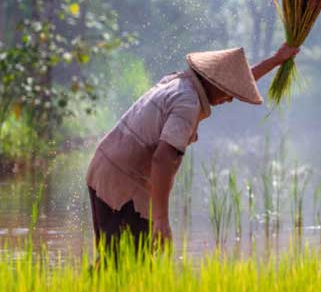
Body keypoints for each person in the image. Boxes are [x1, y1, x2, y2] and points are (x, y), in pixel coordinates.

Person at [86, 43, 299, 255]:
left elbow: (234, 83)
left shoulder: (179, 83)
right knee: (126, 266)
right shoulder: (187, 103)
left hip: (106, 168)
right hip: (123, 181)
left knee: (115, 264)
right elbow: (163, 159)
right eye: (230, 91)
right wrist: (161, 220)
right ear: (215, 82)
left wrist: (275, 59)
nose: (232, 98)